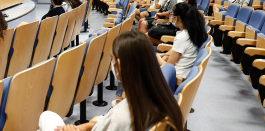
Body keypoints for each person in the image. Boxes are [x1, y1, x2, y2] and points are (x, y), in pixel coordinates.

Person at [38, 30, 184, 131]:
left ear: (119, 65)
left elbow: (113, 122)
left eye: (112, 59)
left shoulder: (123, 114)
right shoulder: (160, 97)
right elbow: (104, 123)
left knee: (46, 116)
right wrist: (85, 126)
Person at [157, 3, 207, 79]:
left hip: (174, 77)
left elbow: (168, 66)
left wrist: (157, 56)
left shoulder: (182, 37)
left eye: (173, 16)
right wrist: (163, 56)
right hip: (182, 73)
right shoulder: (194, 32)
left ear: (177, 18)